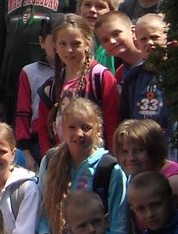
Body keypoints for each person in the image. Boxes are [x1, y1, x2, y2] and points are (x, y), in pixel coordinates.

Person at [29, 97, 129, 234]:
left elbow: (119, 222)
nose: (79, 134)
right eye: (72, 127)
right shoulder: (50, 161)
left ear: (98, 129)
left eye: (86, 127)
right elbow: (43, 205)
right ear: (61, 129)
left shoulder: (110, 168)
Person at [33, 14, 119, 159]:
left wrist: (112, 160)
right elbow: (43, 127)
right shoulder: (52, 86)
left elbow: (112, 122)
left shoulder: (100, 77)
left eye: (76, 44)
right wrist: (49, 158)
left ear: (87, 43)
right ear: (55, 46)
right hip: (62, 160)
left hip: (95, 159)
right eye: (62, 44)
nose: (69, 50)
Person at [113, 119, 178, 216]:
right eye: (124, 152)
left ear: (155, 150)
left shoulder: (175, 182)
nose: (131, 158)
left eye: (139, 150)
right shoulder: (138, 177)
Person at [118, 14, 175, 153]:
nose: (149, 42)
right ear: (136, 44)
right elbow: (126, 117)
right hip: (140, 149)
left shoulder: (177, 73)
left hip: (170, 147)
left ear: (166, 38)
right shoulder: (133, 78)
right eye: (144, 39)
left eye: (155, 37)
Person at [13, 16, 56, 166]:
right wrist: (25, 151)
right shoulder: (29, 72)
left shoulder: (77, 71)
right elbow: (23, 113)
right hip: (37, 141)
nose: (60, 46)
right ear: (42, 42)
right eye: (55, 40)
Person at [78, 0, 120, 71]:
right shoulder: (71, 41)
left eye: (100, 6)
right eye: (87, 5)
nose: (92, 10)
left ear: (112, 12)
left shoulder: (117, 46)